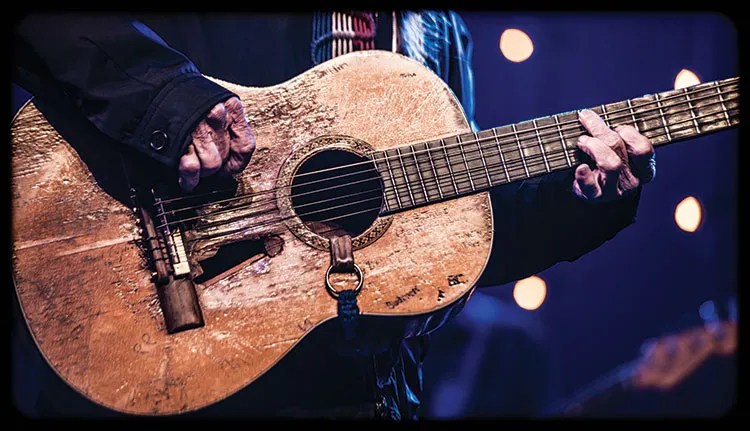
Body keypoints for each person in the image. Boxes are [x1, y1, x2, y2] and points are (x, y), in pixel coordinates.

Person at [11, 12, 656, 420]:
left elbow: (443, 234)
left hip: (359, 398)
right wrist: (170, 108)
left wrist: (575, 201)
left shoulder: (436, 24)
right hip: (150, 334)